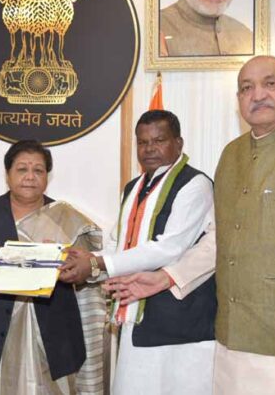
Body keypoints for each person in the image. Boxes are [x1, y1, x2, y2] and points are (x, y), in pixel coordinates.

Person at [107, 56, 275, 394]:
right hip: (231, 344)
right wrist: (166, 277)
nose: (258, 94)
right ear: (239, 100)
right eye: (246, 88)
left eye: (270, 84)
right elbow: (220, 241)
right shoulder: (231, 155)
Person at [60, 110, 217, 395]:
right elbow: (118, 243)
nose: (149, 149)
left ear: (178, 143)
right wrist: (85, 261)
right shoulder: (134, 187)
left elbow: (169, 248)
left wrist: (98, 263)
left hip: (181, 320)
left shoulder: (195, 184)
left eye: (159, 141)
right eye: (143, 142)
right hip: (138, 314)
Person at [0, 140, 107, 394]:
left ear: (47, 177)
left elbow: (90, 270)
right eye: (22, 169)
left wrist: (66, 264)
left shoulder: (66, 217)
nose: (30, 177)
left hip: (52, 329)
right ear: (8, 174)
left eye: (38, 170)